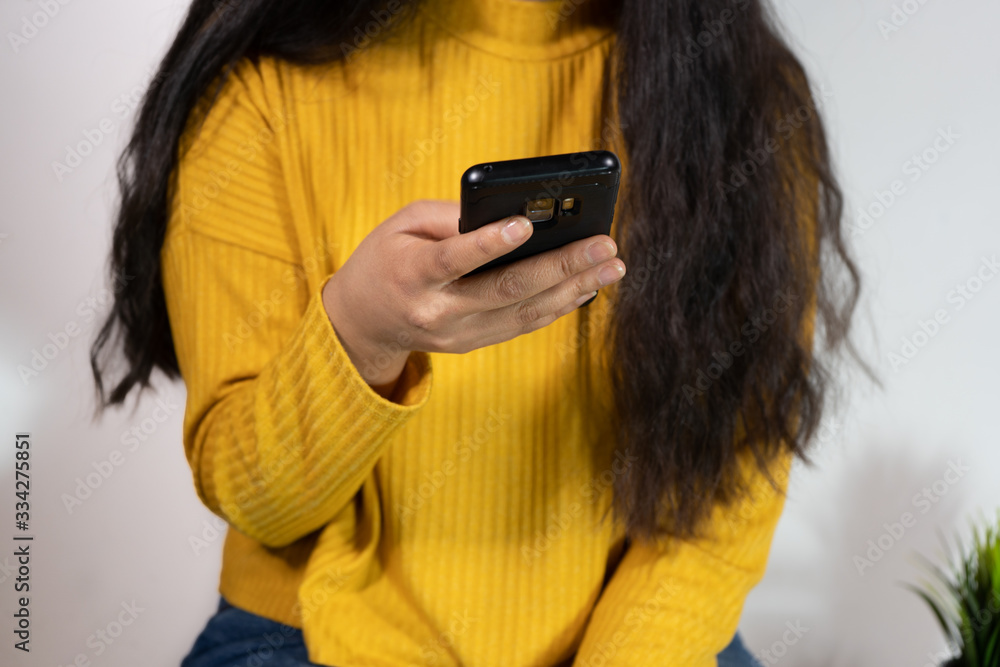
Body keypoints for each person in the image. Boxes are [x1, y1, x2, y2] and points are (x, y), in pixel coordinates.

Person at [90, 0, 863, 665]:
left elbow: (726, 493)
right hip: (310, 637)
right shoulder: (257, 85)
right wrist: (362, 334)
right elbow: (258, 501)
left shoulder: (738, 98)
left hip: (643, 637)